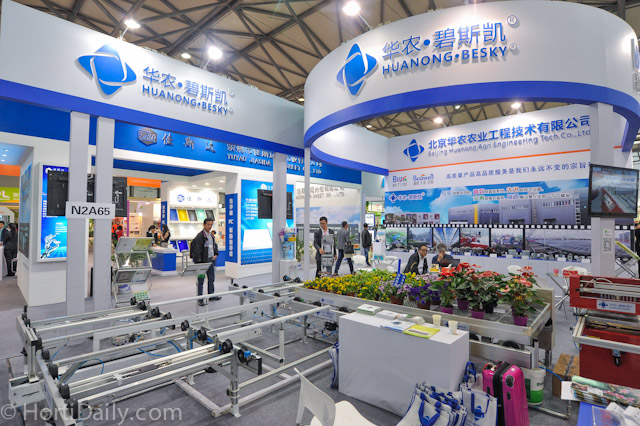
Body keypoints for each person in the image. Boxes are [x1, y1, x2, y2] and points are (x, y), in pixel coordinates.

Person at [191, 218, 219, 306]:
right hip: (202, 262)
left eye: (211, 225)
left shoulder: (211, 235)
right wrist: (198, 262)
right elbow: (197, 250)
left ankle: (211, 295)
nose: (210, 226)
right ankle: (200, 299)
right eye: (208, 224)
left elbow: (214, 246)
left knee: (211, 278)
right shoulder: (200, 236)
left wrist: (216, 254)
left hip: (211, 260)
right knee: (201, 280)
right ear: (204, 225)